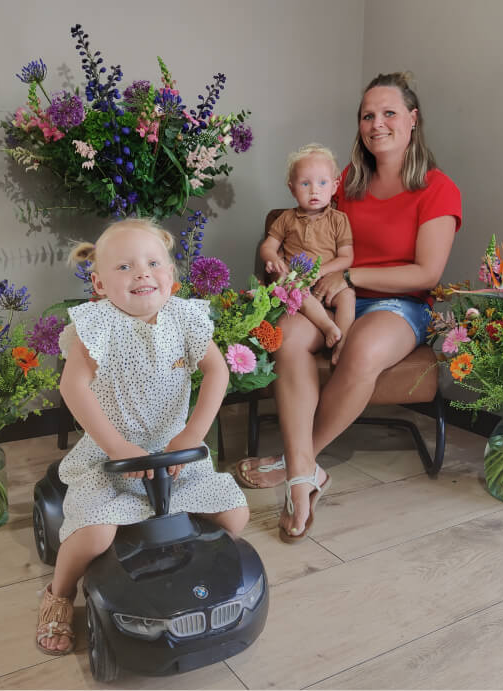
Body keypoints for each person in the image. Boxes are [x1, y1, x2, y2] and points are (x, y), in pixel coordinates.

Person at [236, 72, 461, 544]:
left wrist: (351, 277)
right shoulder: (345, 183)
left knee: (359, 350)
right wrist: (281, 261)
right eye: (367, 115)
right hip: (329, 294)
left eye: (389, 113)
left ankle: (297, 466)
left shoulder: (438, 188)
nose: (377, 123)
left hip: (399, 303)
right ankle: (305, 470)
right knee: (293, 337)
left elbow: (427, 273)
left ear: (413, 120)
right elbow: (306, 231)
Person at [36, 218, 248, 655]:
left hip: (175, 453)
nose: (142, 273)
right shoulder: (97, 326)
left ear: (170, 277)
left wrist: (194, 433)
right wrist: (116, 445)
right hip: (111, 456)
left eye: (154, 263)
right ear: (98, 282)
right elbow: (72, 387)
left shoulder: (185, 318)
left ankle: (193, 577)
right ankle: (59, 593)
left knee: (234, 515)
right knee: (95, 535)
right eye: (124, 267)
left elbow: (217, 370)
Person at [260, 143, 355, 364]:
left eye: (322, 183)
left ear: (334, 185)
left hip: (328, 280)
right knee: (293, 287)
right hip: (299, 280)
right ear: (292, 188)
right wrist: (273, 259)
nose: (314, 190)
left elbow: (346, 257)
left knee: (348, 295)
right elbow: (268, 247)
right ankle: (327, 326)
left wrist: (321, 271)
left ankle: (343, 343)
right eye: (305, 184)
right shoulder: (286, 218)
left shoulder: (339, 220)